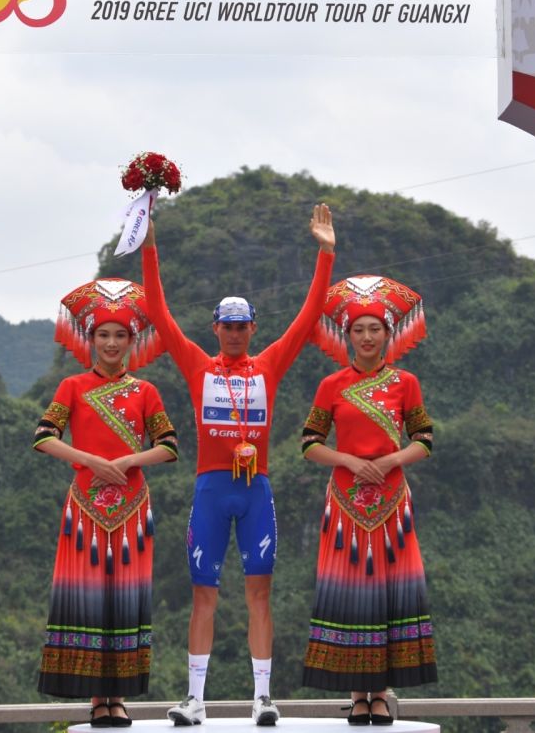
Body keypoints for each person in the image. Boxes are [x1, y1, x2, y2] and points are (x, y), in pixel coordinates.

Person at [141, 204, 336, 726]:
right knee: (203, 595)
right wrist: (149, 243)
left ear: (253, 328)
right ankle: (194, 700)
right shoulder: (197, 365)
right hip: (210, 490)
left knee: (259, 594)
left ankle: (263, 699)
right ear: (215, 328)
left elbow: (308, 317)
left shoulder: (268, 364)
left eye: (241, 326)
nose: (233, 333)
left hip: (256, 492)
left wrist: (325, 253)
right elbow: (158, 311)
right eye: (226, 326)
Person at [34, 278, 179, 727]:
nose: (112, 343)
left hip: (132, 508)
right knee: (90, 598)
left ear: (132, 341)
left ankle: (119, 696)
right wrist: (90, 460)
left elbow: (168, 446)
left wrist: (129, 460)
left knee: (125, 598)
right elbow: (43, 437)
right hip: (86, 508)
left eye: (120, 335)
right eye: (103, 335)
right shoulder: (72, 386)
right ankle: (98, 698)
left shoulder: (146, 391)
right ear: (90, 339)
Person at [298, 274, 437, 725]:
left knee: (389, 592)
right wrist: (349, 461)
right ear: (347, 335)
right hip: (346, 503)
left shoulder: (405, 382)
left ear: (388, 332)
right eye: (358, 329)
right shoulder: (331, 385)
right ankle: (359, 694)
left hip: (392, 502)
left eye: (374, 328)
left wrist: (392, 459)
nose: (367, 337)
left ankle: (382, 692)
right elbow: (309, 443)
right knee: (353, 594)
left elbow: (425, 440)